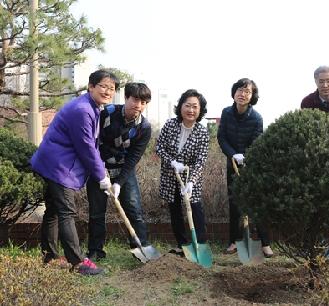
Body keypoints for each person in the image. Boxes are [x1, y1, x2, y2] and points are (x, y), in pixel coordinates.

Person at [30, 69, 120, 275]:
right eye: (103, 86)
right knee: (66, 212)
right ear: (91, 86)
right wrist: (101, 177)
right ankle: (78, 262)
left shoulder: (91, 106)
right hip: (58, 166)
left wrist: (102, 170)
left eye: (112, 89)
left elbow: (92, 145)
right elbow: (86, 147)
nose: (107, 91)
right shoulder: (83, 110)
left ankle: (50, 257)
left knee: (53, 210)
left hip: (53, 162)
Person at [86, 82, 153, 260]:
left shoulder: (144, 128)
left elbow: (133, 158)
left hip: (124, 169)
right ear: (126, 98)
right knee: (97, 211)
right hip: (98, 167)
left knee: (133, 209)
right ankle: (95, 251)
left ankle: (141, 248)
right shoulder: (106, 113)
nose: (139, 105)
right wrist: (100, 170)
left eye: (144, 102)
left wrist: (119, 183)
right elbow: (92, 142)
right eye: (136, 99)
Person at [217, 78, 273, 257]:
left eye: (247, 91)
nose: (242, 94)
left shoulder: (256, 118)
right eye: (240, 90)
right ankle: (234, 241)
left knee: (256, 203)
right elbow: (222, 138)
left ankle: (265, 243)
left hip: (252, 166)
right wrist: (233, 154)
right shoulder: (226, 113)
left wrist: (246, 157)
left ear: (252, 96)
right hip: (232, 163)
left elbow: (257, 142)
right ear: (234, 93)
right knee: (234, 204)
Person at [155, 89, 209, 256]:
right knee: (175, 210)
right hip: (171, 176)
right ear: (180, 107)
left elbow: (201, 160)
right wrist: (172, 161)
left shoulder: (202, 132)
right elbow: (159, 146)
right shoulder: (170, 124)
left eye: (195, 107)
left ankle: (199, 244)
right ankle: (182, 244)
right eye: (187, 105)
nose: (190, 110)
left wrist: (191, 181)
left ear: (200, 110)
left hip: (190, 178)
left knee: (195, 209)